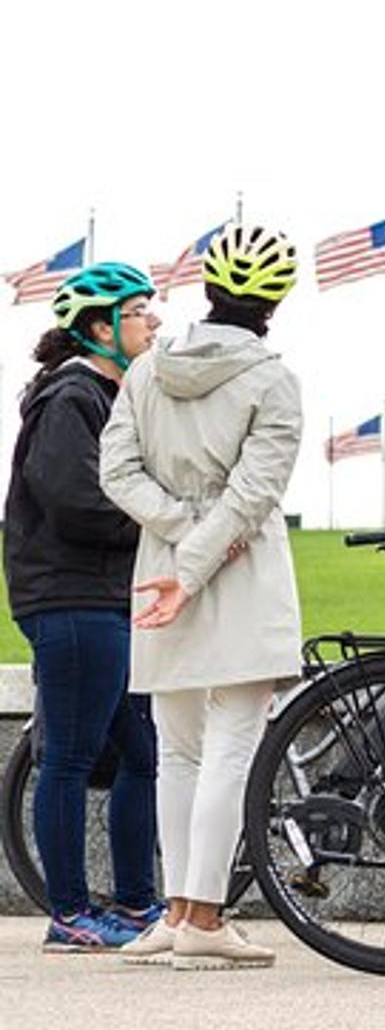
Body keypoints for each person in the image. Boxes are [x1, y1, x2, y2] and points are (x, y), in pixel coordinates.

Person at [100, 224, 305, 971]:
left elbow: (116, 472)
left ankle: (176, 910)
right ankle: (205, 914)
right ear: (276, 299)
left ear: (208, 286)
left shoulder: (148, 369)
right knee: (230, 748)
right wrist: (200, 556)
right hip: (236, 573)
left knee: (178, 751)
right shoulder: (273, 379)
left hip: (160, 567)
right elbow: (254, 493)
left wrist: (179, 541)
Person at [5, 263, 164, 951]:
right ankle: (69, 913)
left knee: (142, 754)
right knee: (67, 759)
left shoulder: (110, 394)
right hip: (71, 598)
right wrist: (160, 522)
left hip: (105, 598)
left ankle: (135, 904)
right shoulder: (71, 395)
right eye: (139, 312)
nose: (154, 321)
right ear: (102, 328)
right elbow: (76, 501)